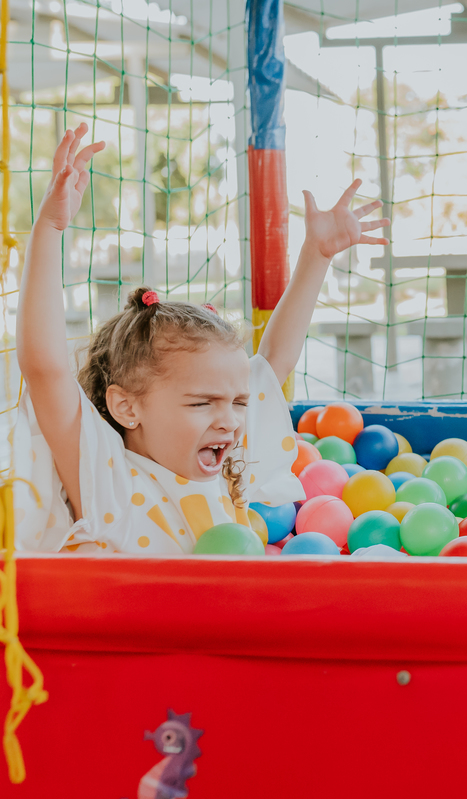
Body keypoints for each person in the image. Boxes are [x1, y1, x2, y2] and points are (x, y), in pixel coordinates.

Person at [13, 123, 388, 553]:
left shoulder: (228, 462)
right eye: (201, 403)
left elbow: (275, 360)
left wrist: (317, 255)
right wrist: (49, 228)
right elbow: (45, 369)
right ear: (127, 407)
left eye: (239, 402)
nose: (230, 419)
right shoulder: (108, 479)